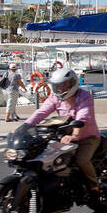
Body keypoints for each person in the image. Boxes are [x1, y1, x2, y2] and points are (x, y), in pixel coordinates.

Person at [26, 66, 100, 196]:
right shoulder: (55, 97)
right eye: (58, 85)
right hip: (63, 136)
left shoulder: (84, 96)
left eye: (64, 84)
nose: (61, 88)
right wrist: (25, 126)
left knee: (81, 160)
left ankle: (94, 186)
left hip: (87, 137)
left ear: (72, 83)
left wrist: (75, 135)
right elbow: (41, 112)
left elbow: (83, 117)